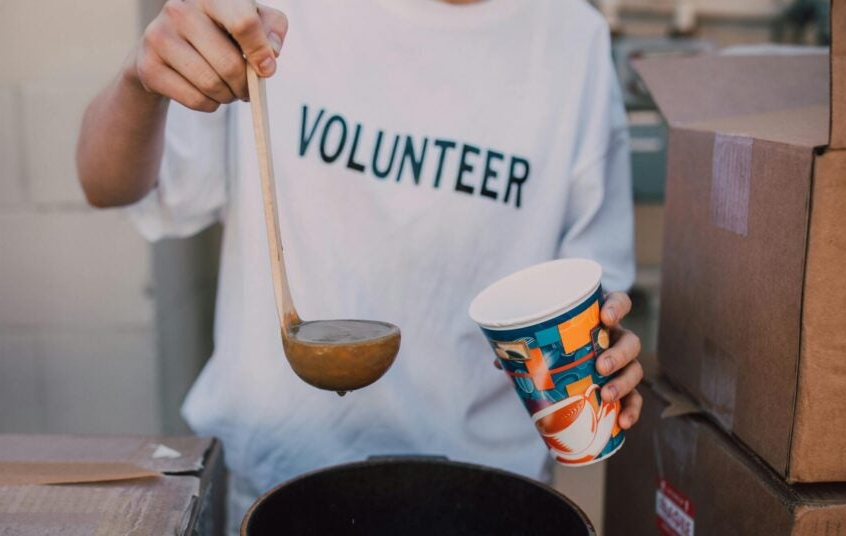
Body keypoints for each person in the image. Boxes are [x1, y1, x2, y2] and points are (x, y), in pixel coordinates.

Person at [77, 0, 644, 530]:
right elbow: (107, 185)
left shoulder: (573, 38)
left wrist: (606, 350)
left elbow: (593, 287)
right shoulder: (265, 13)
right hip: (273, 483)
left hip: (485, 496)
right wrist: (139, 77)